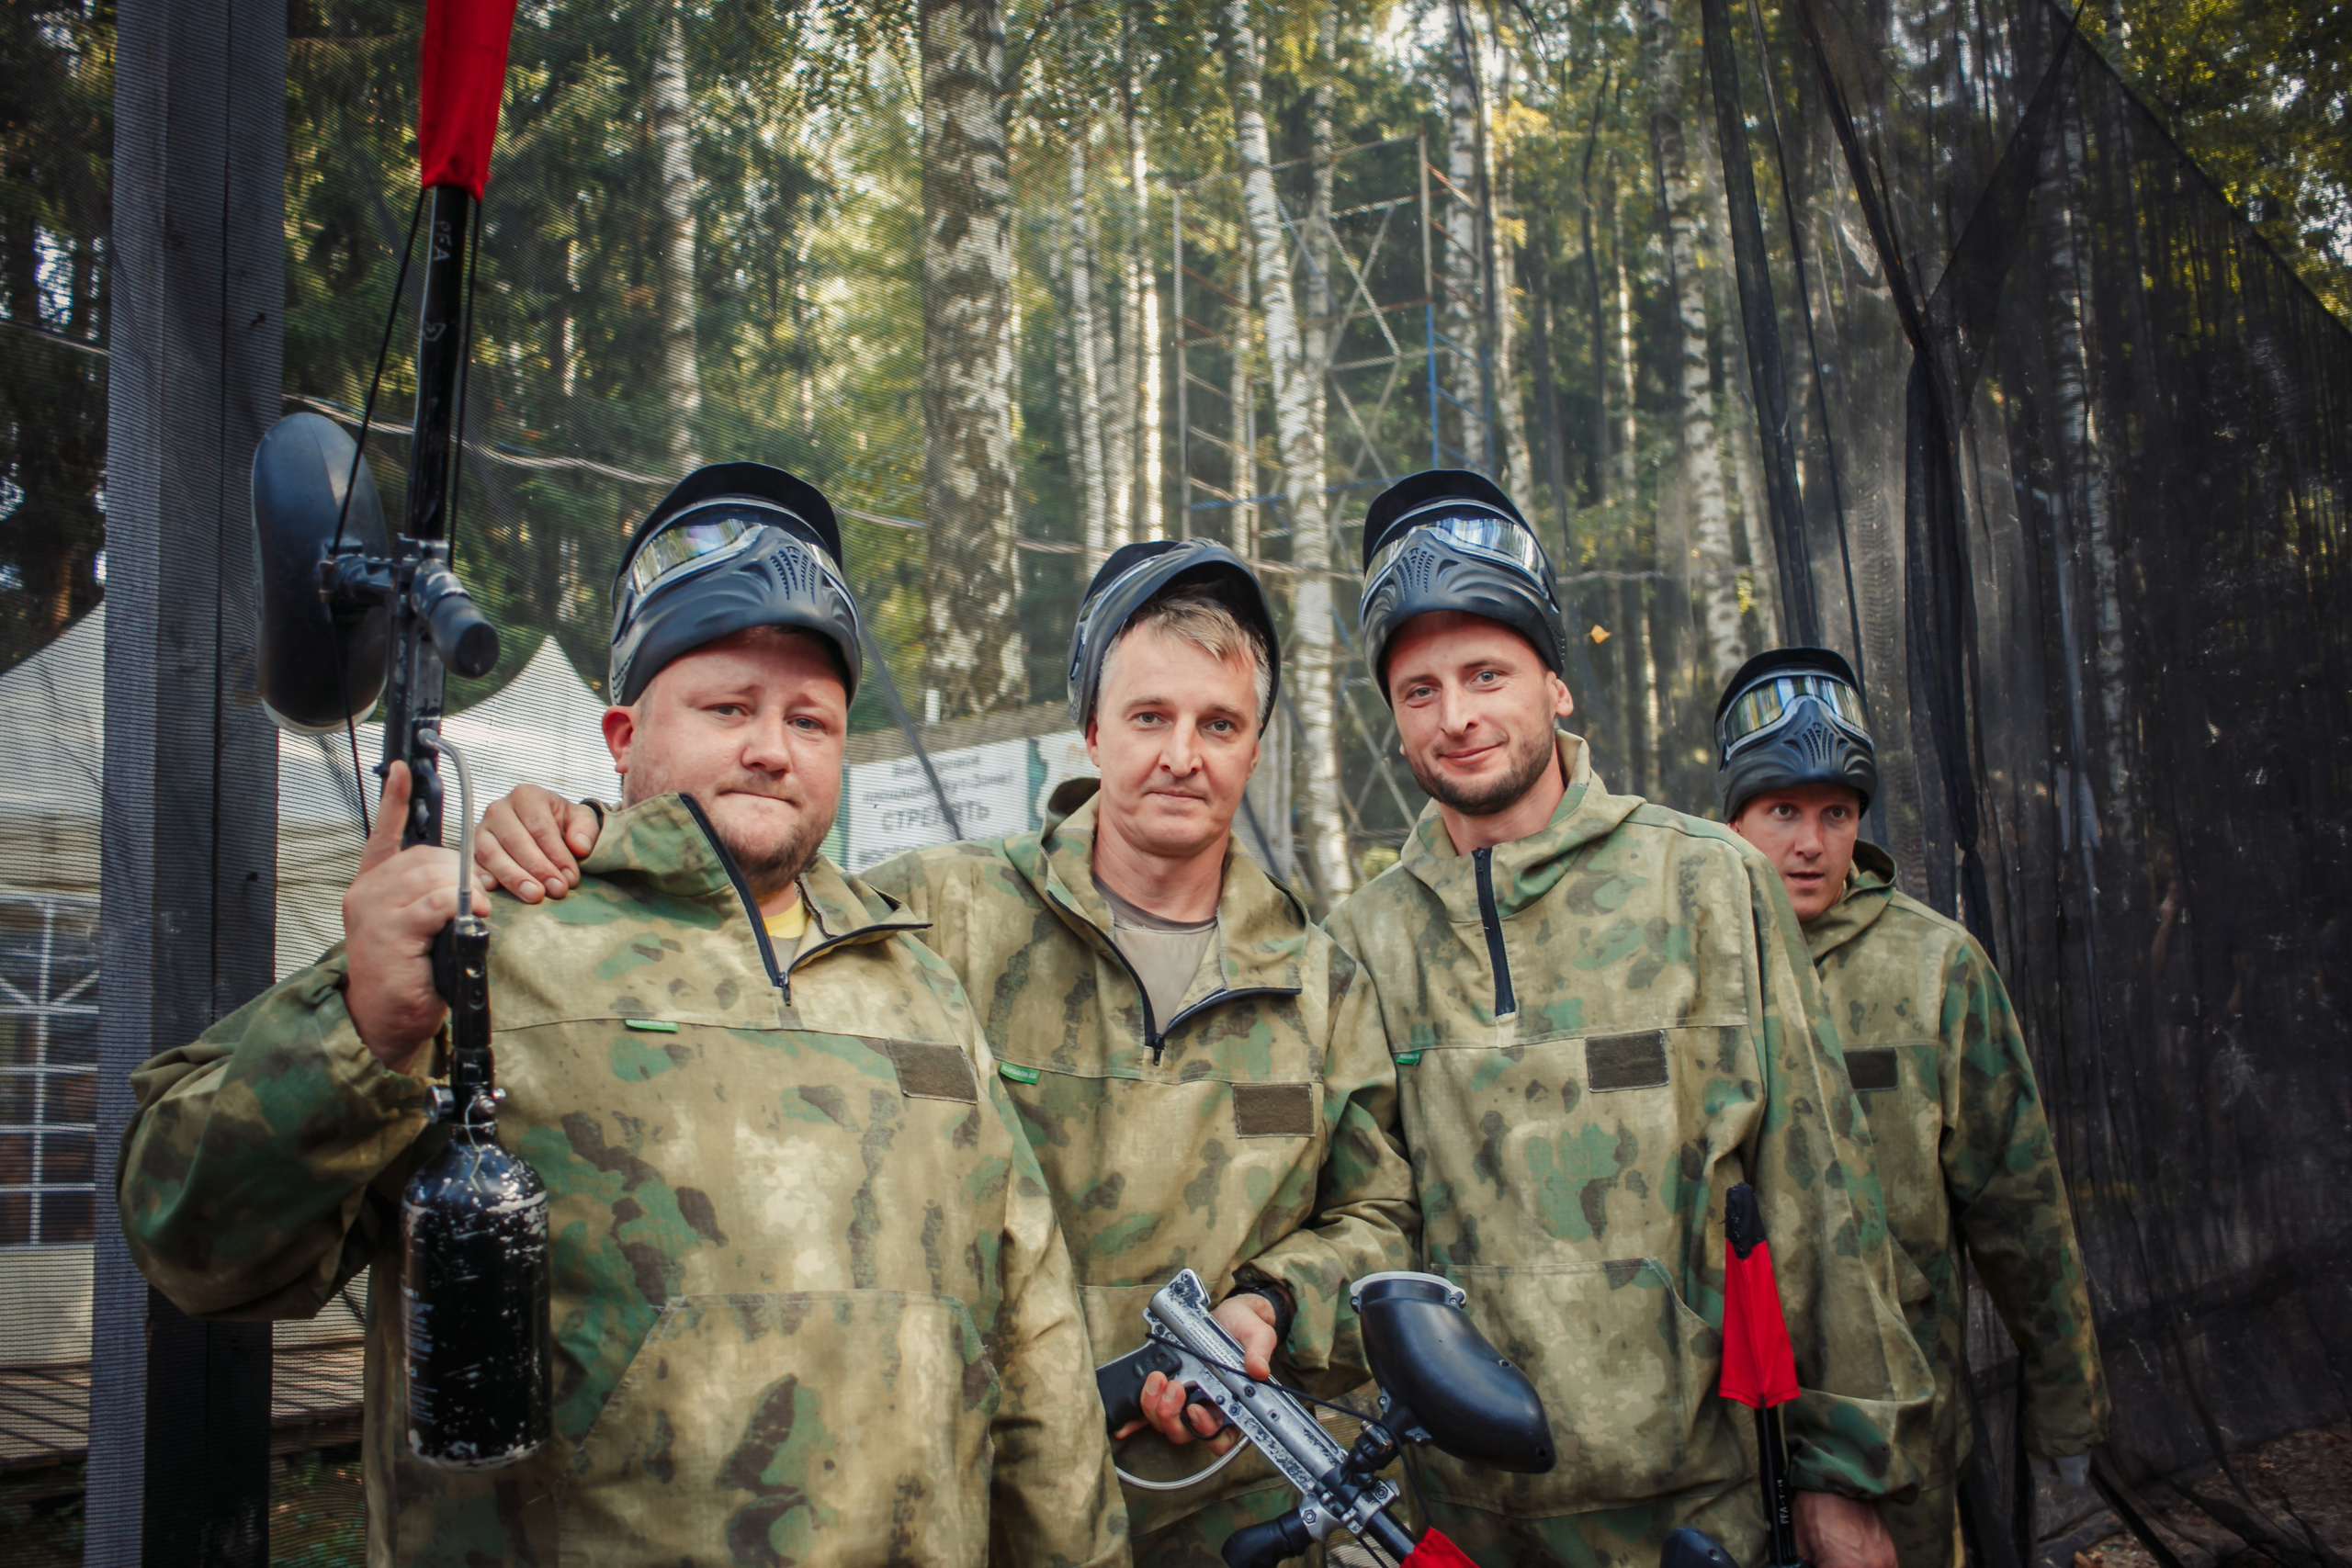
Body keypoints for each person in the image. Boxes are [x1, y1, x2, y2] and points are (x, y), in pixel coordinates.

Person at [118, 465, 1129, 1567]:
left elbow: (1032, 1348)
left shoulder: (917, 985)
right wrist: (359, 1028)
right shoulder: (485, 943)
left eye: (811, 719)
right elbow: (197, 1247)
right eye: (727, 707)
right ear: (620, 733)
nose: (771, 747)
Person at [471, 538, 1417, 1566]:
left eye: (1219, 725)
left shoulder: (1318, 985)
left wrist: (1270, 1304)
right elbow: (742, 913)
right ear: (1092, 730)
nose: (1181, 755)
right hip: (975, 1503)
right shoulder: (928, 918)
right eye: (1149, 717)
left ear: (1254, 745)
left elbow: (1378, 1217)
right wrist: (588, 832)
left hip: (1237, 1518)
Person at [1316, 469, 1934, 1568]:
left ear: (1554, 683)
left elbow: (1816, 1188)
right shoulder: (1361, 942)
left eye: (1485, 673)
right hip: (1465, 1525)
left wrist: (1845, 1476)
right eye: (1418, 691)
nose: (1454, 718)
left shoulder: (1705, 883)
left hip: (1703, 1512)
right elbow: (1365, 1222)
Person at [1716, 647, 2109, 1568]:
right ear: (1727, 818)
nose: (1808, 844)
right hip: (1724, 1437)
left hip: (1902, 1438)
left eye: (1835, 815)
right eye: (1780, 812)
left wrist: (2066, 1403)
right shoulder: (1677, 964)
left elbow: (2020, 1206)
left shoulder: (1935, 969)